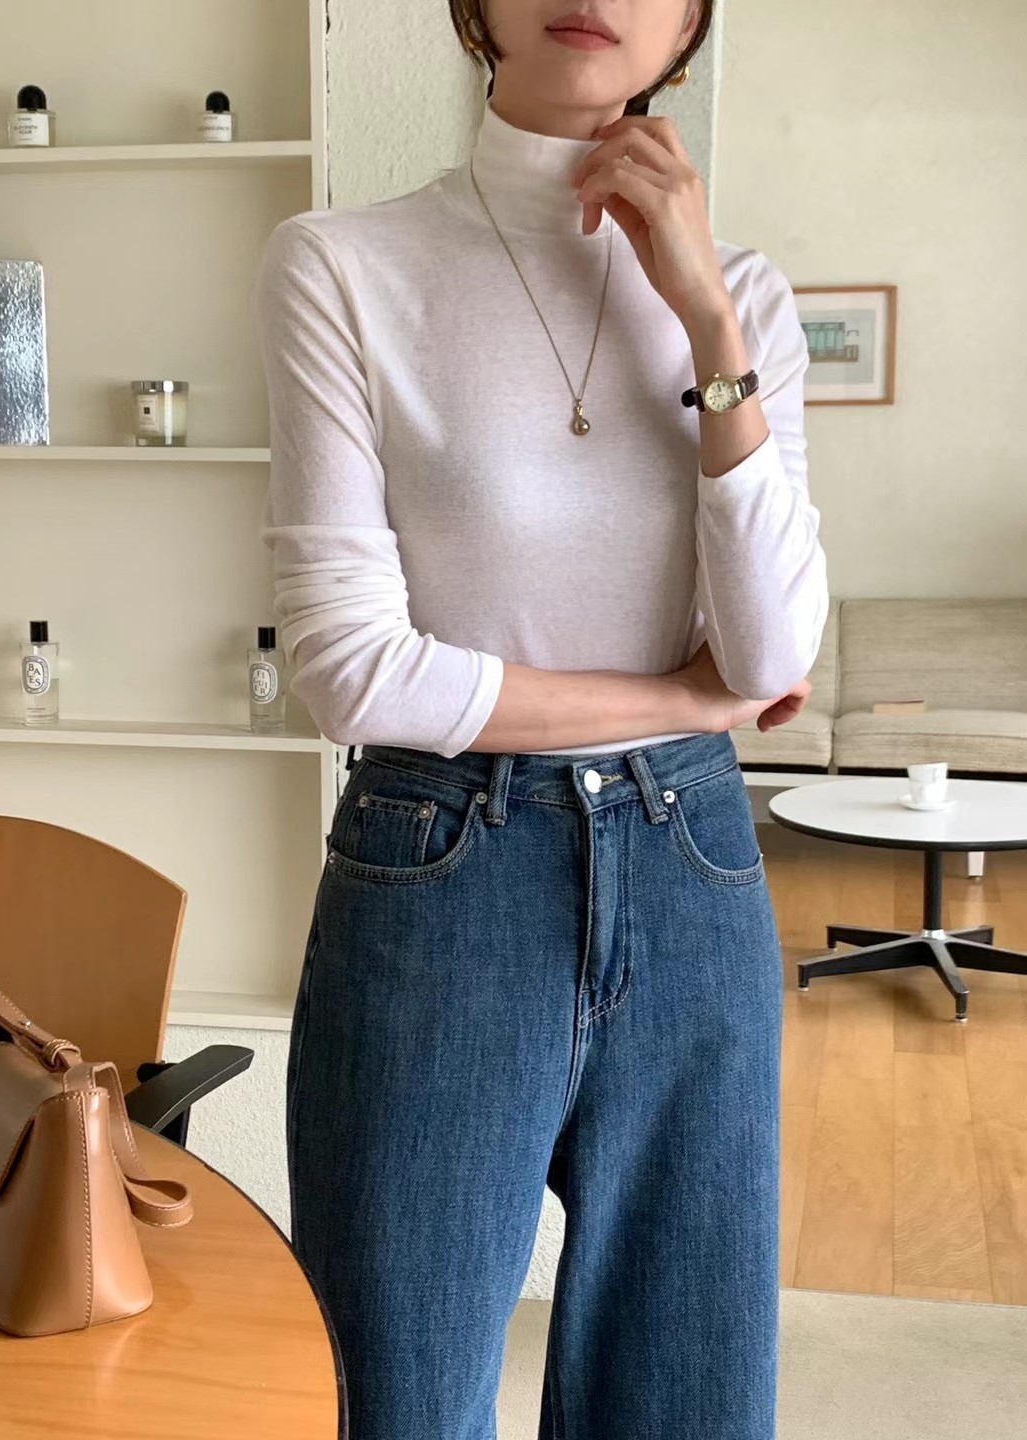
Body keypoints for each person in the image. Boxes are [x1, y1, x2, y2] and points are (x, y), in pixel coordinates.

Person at [254, 2, 828, 1436]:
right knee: (401, 1390)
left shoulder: (744, 299)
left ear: (689, 23)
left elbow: (771, 651)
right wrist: (681, 696)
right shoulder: (343, 264)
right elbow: (353, 670)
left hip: (692, 862)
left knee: (684, 1396)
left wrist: (704, 314)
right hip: (439, 864)